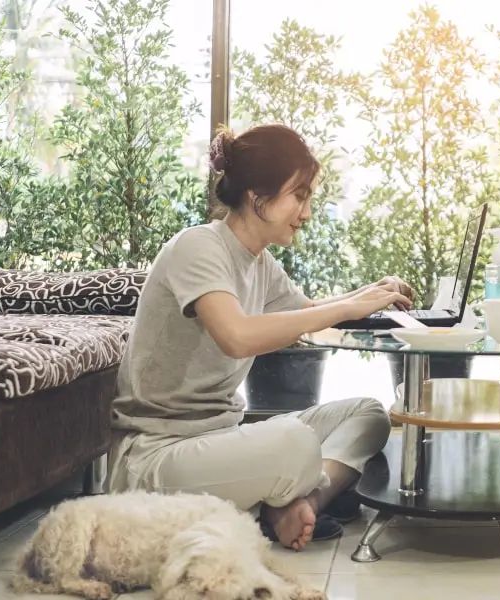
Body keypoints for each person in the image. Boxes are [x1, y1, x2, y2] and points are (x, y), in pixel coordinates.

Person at [107, 123, 413, 552]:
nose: (306, 213)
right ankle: (287, 499)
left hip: (221, 439)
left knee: (370, 414)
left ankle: (299, 503)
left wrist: (371, 294)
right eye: (300, 196)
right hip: (156, 456)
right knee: (295, 443)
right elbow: (236, 335)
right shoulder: (198, 247)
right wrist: (347, 306)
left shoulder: (260, 263)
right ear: (257, 197)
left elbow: (309, 318)